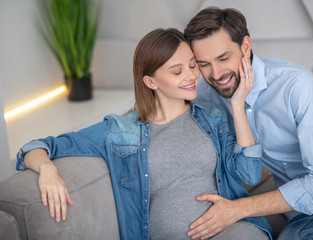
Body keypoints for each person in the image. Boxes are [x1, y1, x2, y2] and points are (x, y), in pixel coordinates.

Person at [16, 28, 274, 239]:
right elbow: (37, 146)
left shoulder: (212, 116)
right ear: (150, 81)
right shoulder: (120, 131)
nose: (192, 76)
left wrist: (237, 105)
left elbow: (248, 174)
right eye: (177, 71)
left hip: (229, 231)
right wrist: (48, 170)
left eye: (193, 65)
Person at [184, 6, 313, 240]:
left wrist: (238, 208)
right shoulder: (209, 94)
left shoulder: (295, 85)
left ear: (245, 47)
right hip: (309, 209)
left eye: (223, 58)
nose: (216, 73)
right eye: (203, 63)